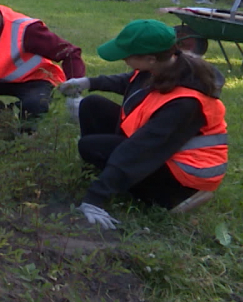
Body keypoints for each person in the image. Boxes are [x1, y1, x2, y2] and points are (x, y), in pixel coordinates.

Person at [58, 20, 226, 229]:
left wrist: (94, 198)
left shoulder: (186, 104)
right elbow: (132, 82)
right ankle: (108, 174)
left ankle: (177, 199)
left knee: (91, 146)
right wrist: (90, 82)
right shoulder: (165, 65)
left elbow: (141, 149)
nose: (124, 60)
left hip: (181, 178)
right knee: (92, 105)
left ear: (150, 59)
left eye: (127, 56)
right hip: (162, 149)